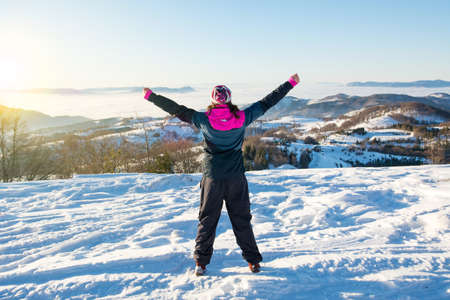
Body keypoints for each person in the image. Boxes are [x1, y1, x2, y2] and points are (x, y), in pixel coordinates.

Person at [143, 74, 300, 276]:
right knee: (241, 219)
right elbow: (268, 101)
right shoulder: (242, 117)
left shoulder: (203, 120)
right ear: (229, 99)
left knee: (207, 219)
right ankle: (253, 262)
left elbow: (175, 109)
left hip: (212, 178)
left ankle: (201, 263)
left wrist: (151, 96)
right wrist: (290, 83)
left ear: (212, 100)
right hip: (236, 177)